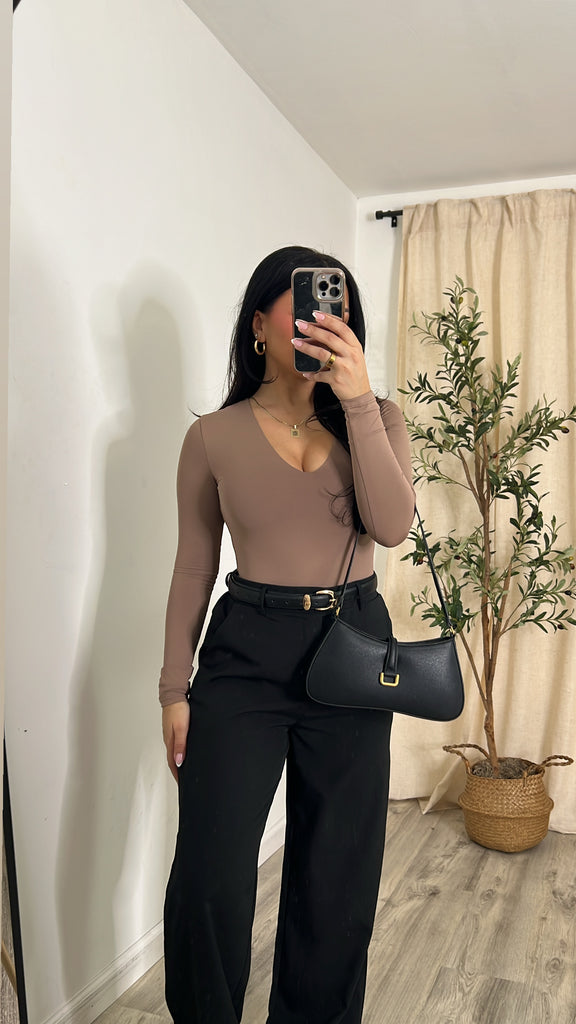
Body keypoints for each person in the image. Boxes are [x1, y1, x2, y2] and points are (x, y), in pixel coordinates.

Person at [160, 245, 415, 1024]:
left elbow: (392, 527)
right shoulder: (213, 436)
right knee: (209, 873)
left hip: (353, 646)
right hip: (246, 650)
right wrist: (173, 690)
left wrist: (359, 401)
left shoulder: (379, 419)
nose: (321, 319)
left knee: (337, 874)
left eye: (336, 308)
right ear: (259, 326)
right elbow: (194, 566)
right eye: (303, 305)